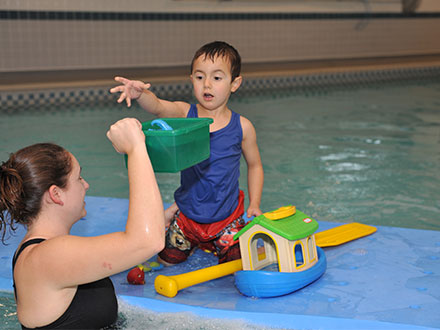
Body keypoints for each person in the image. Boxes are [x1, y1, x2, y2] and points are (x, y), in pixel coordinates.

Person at [0, 118, 165, 329]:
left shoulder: (41, 253)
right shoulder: (49, 256)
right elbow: (148, 241)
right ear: (56, 194)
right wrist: (135, 148)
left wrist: (161, 218)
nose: (86, 185)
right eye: (79, 178)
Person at [110, 41, 264, 265]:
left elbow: (255, 165)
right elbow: (160, 108)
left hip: (227, 219)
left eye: (217, 78)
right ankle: (180, 221)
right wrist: (141, 94)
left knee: (237, 266)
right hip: (188, 218)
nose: (207, 85)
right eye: (200, 77)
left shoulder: (243, 127)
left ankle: (215, 239)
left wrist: (255, 203)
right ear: (191, 79)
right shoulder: (186, 114)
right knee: (166, 262)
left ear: (235, 83)